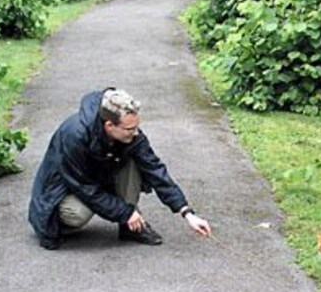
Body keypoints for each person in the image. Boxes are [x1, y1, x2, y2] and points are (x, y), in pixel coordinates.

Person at [28, 88, 212, 250]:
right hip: (67, 188)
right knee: (77, 214)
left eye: (137, 127)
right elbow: (84, 187)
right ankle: (66, 223)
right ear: (109, 125)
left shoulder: (130, 133)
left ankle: (130, 228)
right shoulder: (73, 136)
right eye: (130, 129)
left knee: (135, 159)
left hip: (97, 177)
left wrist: (187, 212)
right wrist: (124, 212)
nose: (136, 133)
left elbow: (154, 168)